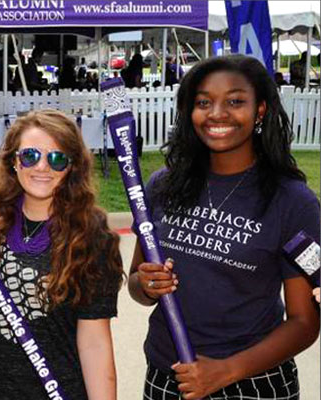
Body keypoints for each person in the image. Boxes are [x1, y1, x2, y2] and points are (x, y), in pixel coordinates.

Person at [129, 55, 319, 400]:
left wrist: (226, 371)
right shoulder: (162, 186)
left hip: (254, 382)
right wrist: (146, 285)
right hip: (169, 375)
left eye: (235, 101)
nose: (217, 113)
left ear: (260, 110)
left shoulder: (292, 201)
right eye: (204, 102)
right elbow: (136, 286)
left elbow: (305, 322)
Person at [0, 110, 123, 399]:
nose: (42, 167)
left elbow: (94, 342)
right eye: (30, 156)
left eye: (57, 159)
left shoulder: (92, 236)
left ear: (72, 167)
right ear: (13, 161)